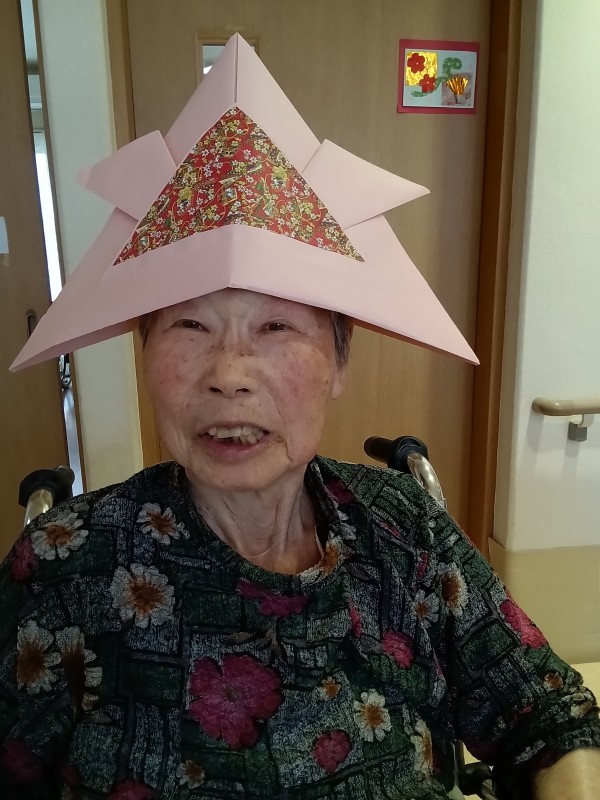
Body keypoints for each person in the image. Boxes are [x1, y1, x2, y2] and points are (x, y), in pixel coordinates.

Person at [2, 35, 600, 800]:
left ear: (340, 362)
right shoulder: (65, 566)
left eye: (277, 327)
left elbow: (548, 714)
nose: (228, 374)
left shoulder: (404, 530)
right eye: (189, 325)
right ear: (144, 350)